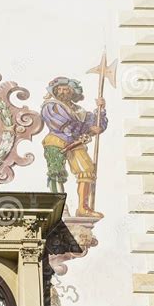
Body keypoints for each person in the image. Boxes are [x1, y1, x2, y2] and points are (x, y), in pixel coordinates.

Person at [41, 76, 107, 219]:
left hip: (76, 143)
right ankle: (61, 209)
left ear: (72, 91)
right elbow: (63, 125)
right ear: (55, 91)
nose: (63, 92)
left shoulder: (78, 110)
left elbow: (96, 124)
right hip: (56, 141)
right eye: (60, 89)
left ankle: (83, 208)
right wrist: (88, 130)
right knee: (57, 173)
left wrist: (100, 110)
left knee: (87, 170)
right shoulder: (51, 106)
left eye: (66, 89)